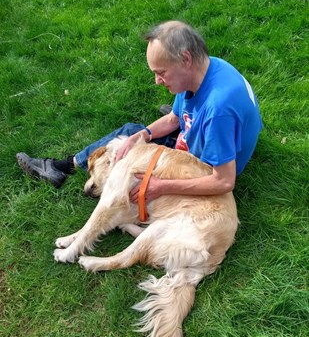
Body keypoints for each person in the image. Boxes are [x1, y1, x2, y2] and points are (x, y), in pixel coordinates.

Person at [17, 20, 263, 203]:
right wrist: (144, 134)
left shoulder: (217, 109)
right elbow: (173, 118)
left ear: (185, 59)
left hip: (201, 168)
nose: (157, 81)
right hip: (211, 130)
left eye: (161, 73)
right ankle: (68, 165)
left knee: (126, 146)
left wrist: (162, 186)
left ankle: (62, 168)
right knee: (135, 134)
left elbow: (223, 181)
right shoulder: (205, 69)